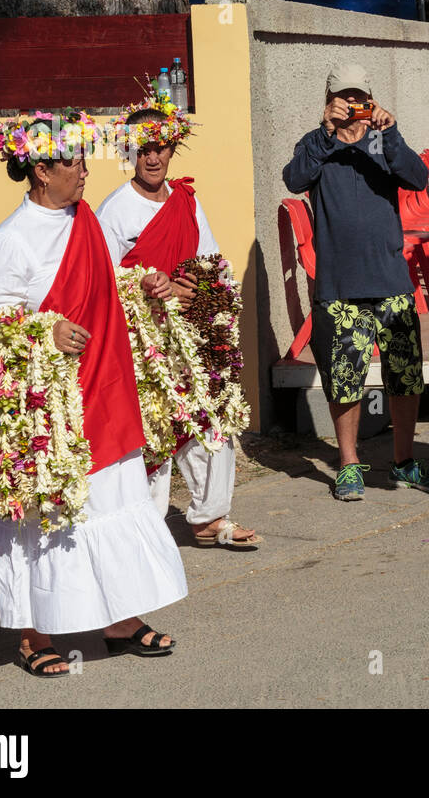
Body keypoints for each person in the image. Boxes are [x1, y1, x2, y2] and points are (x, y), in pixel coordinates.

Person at [0, 113, 188, 676]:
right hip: (51, 410)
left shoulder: (84, 218)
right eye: (73, 163)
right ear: (41, 171)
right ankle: (32, 634)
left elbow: (101, 281)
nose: (86, 171)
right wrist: (45, 329)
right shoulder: (9, 242)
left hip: (104, 388)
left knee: (114, 501)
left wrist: (140, 282)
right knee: (46, 518)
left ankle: (118, 621)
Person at [96, 93, 262, 549]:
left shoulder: (187, 201)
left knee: (211, 418)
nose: (153, 157)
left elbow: (212, 264)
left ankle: (210, 518)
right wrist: (151, 287)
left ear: (173, 148)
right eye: (143, 148)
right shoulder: (114, 211)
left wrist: (196, 286)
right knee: (153, 429)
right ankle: (144, 530)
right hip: (143, 342)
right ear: (129, 151)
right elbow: (104, 282)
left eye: (161, 146)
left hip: (192, 332)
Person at [282, 63, 429, 502]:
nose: (353, 104)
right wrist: (325, 132)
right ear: (329, 99)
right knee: (344, 379)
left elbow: (418, 177)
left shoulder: (382, 141)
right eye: (345, 97)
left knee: (405, 377)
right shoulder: (315, 144)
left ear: (371, 100)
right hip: (340, 285)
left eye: (360, 97)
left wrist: (391, 131)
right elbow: (294, 177)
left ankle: (404, 461)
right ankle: (349, 464)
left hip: (391, 278)